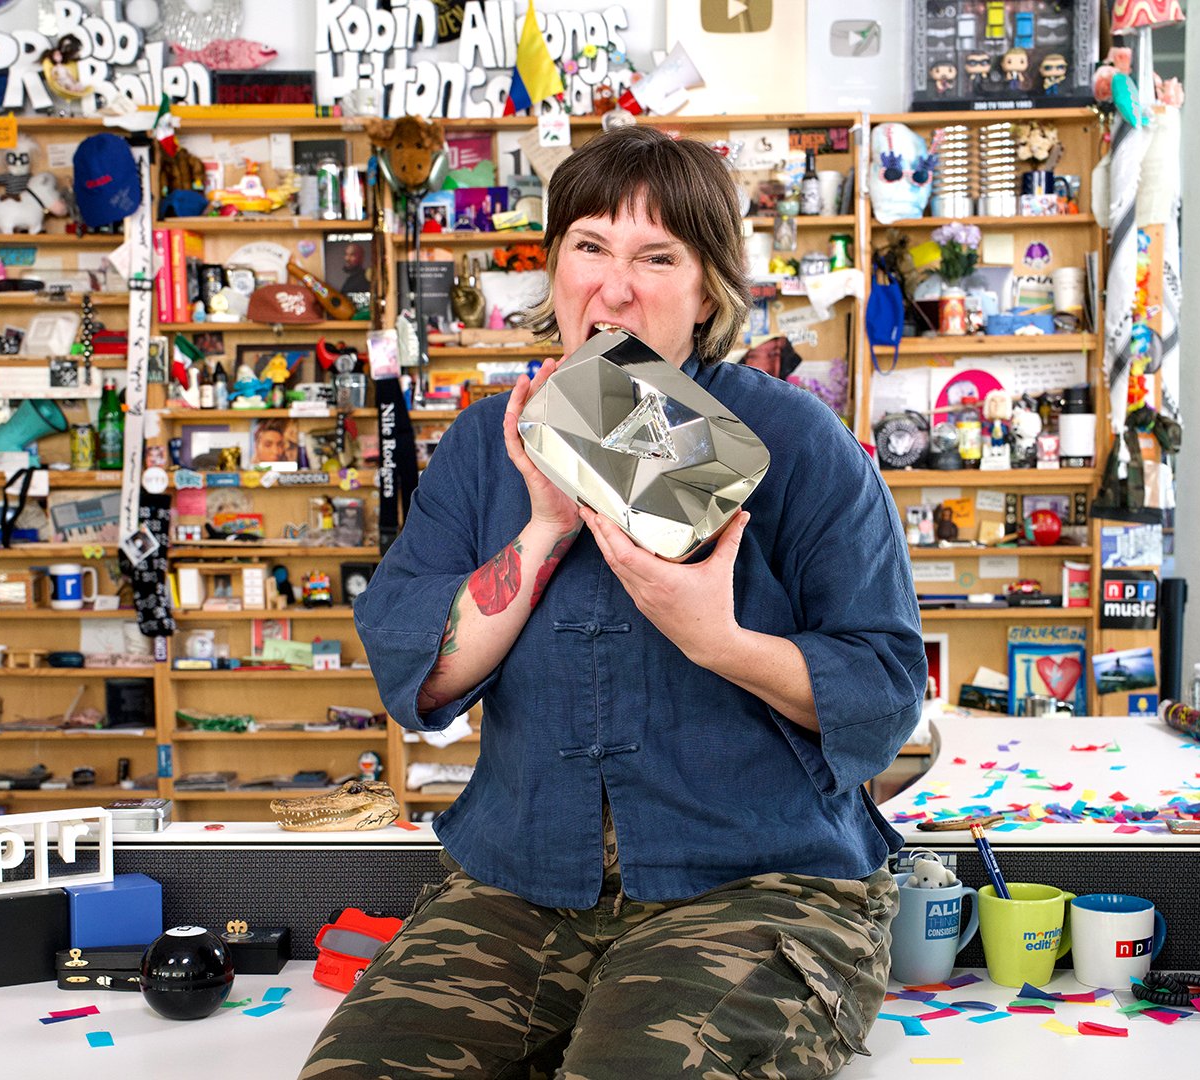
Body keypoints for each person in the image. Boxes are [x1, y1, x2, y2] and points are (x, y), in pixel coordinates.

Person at [307, 125, 924, 1079]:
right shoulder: (486, 445)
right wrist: (543, 528)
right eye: (589, 246)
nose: (615, 286)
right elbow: (420, 672)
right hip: (517, 884)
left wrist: (717, 639)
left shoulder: (796, 442)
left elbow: (884, 696)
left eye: (657, 257)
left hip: (757, 886)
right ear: (554, 266)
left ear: (708, 287)